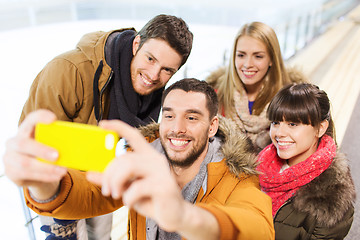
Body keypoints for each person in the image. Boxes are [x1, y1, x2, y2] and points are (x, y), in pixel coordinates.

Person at [4, 78, 275, 240]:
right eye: (169, 115)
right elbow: (90, 192)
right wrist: (43, 182)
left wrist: (185, 217)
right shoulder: (144, 160)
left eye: (192, 117)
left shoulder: (238, 176)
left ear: (213, 126)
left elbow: (258, 228)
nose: (177, 127)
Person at [18, 14, 193, 239]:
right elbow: (36, 140)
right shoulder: (69, 70)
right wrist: (62, 212)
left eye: (167, 70)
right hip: (57, 180)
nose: (153, 75)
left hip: (100, 174)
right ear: (136, 44)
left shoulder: (154, 95)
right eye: (150, 59)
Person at [256, 83, 355, 239]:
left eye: (292, 124)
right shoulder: (255, 164)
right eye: (275, 123)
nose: (279, 133)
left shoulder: (332, 200)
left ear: (320, 128)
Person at [206, 21, 292, 153]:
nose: (247, 64)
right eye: (241, 55)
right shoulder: (213, 98)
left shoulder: (291, 102)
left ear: (271, 59)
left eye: (258, 56)